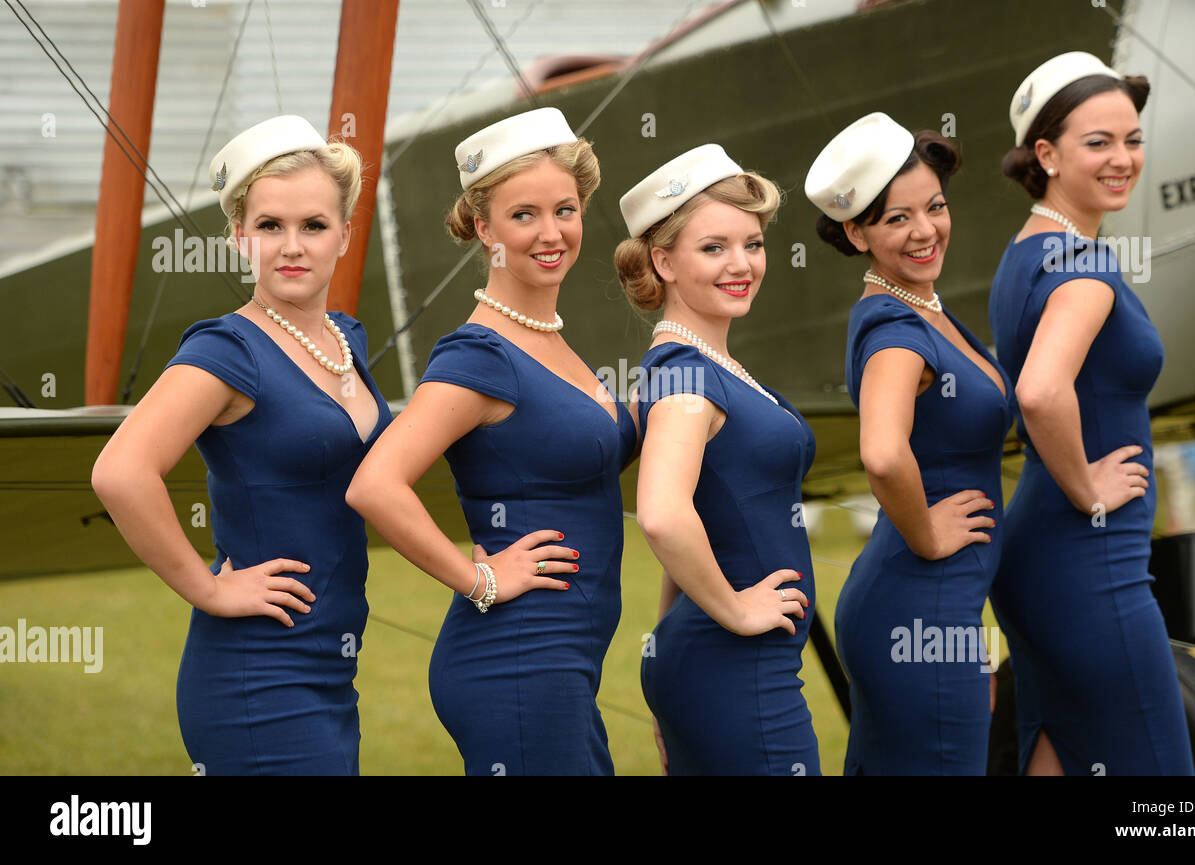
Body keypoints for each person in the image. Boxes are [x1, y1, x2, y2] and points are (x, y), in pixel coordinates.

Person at [92, 115, 390, 774]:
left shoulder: (346, 339)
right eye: (269, 226)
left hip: (330, 666)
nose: (292, 245)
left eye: (313, 225)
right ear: (238, 237)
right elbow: (120, 471)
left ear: (344, 234)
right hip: (258, 674)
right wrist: (210, 589)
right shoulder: (227, 351)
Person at [346, 108, 636, 775]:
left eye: (565, 209)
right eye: (523, 214)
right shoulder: (479, 356)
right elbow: (375, 484)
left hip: (562, 664)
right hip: (518, 661)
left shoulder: (551, 342)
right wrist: (478, 578)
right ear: (483, 226)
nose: (551, 232)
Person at [989, 51, 1194, 775]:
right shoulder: (1083, 267)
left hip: (1041, 558)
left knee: (1057, 753)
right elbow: (1041, 391)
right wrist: (1088, 488)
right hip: (1090, 563)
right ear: (1044, 154)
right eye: (1098, 142)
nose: (1123, 158)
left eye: (1132, 139)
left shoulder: (1026, 253)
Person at [805, 112, 1011, 774]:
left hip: (930, 608)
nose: (925, 230)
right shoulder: (896, 326)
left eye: (935, 207)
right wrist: (926, 532)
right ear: (857, 231)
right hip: (919, 605)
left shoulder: (922, 304)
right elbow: (883, 452)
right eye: (897, 219)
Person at [617, 144, 819, 775]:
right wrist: (733, 609)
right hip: (734, 661)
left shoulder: (708, 365)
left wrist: (668, 654)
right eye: (714, 248)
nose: (742, 265)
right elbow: (662, 515)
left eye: (753, 244)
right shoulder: (685, 378)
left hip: (718, 662)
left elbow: (698, 520)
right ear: (663, 260)